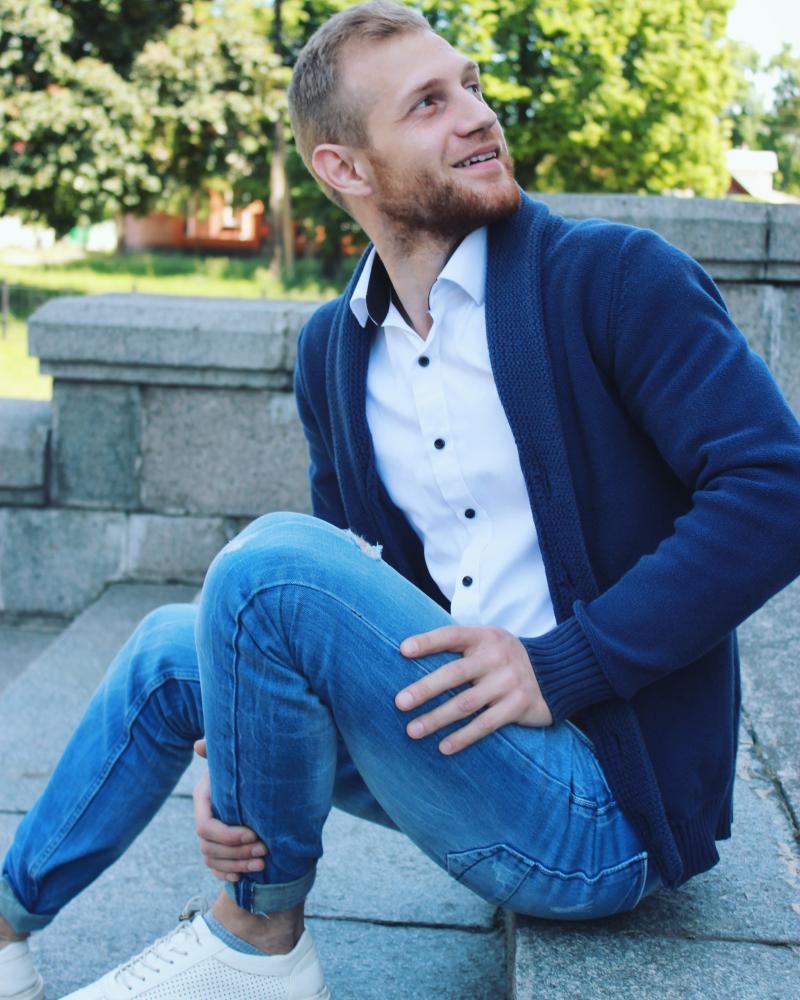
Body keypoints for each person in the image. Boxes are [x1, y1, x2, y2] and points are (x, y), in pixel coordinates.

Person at [3, 2, 800, 997]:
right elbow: (348, 597)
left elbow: (775, 486)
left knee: (266, 569)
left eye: (470, 85)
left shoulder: (614, 280)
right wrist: (240, 759)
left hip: (602, 813)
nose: (476, 114)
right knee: (177, 642)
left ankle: (257, 940)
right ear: (344, 168)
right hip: (465, 751)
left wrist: (564, 664)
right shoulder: (334, 353)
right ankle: (6, 927)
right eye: (428, 103)